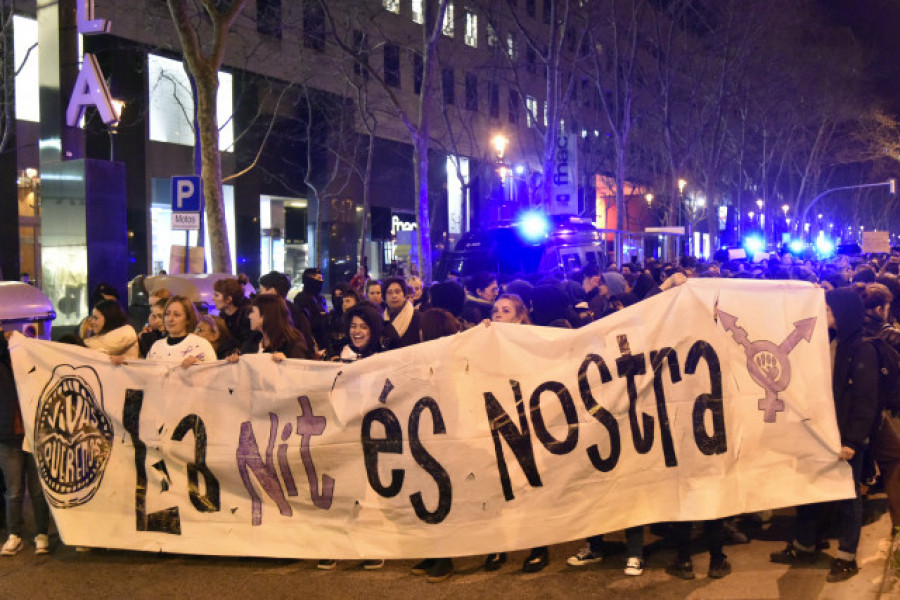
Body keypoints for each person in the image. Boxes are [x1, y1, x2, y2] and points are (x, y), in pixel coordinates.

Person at [770, 287, 880, 583]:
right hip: (820, 433)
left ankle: (846, 558)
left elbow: (865, 400)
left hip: (844, 437)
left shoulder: (861, 348)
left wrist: (852, 441)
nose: (824, 314)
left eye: (829, 310)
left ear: (842, 313)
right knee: (808, 490)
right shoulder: (831, 341)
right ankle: (804, 545)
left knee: (848, 496)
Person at [320, 302, 385, 570]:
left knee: (369, 492)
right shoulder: (335, 354)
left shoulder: (384, 356)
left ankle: (371, 546)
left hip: (372, 433)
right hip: (339, 431)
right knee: (337, 489)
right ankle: (333, 545)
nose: (357, 332)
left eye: (364, 326)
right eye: (353, 326)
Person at [0, 326, 51, 556]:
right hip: (8, 435)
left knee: (38, 489)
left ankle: (42, 533)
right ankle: (15, 534)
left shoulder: (35, 364)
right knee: (14, 489)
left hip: (34, 433)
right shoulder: (2, 366)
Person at [258, 271, 316, 359]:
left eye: (262, 290)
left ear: (272, 291)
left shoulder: (282, 313)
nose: (260, 295)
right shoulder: (297, 310)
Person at [146, 296, 216, 367]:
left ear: (188, 319)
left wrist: (199, 366)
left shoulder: (202, 345)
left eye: (176, 315)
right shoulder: (156, 346)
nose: (170, 319)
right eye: (167, 314)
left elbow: (212, 373)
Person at [244, 295, 309, 361]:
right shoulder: (254, 340)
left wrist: (285, 361)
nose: (249, 316)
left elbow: (298, 368)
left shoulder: (292, 342)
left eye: (253, 311)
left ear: (266, 315)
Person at [213, 278, 254, 353]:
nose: (213, 298)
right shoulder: (222, 316)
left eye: (216, 295)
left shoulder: (246, 315)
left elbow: (250, 342)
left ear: (228, 299)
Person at [293, 268, 329, 353]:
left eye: (322, 278)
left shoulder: (321, 298)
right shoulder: (301, 298)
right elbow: (303, 324)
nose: (321, 281)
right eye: (318, 278)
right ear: (309, 280)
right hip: (311, 343)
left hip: (323, 342)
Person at [382, 277, 421, 348]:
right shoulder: (381, 318)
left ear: (405, 295)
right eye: (389, 293)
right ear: (385, 297)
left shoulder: (417, 317)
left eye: (397, 292)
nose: (394, 296)